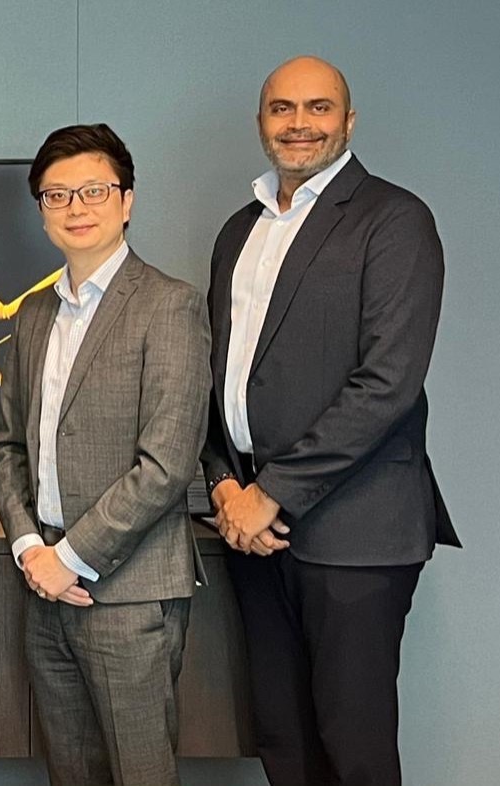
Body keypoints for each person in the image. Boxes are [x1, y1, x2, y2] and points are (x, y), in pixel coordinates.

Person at [202, 55, 458, 786]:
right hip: (250, 530)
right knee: (283, 743)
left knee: (354, 751)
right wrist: (223, 483)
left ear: (347, 121)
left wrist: (269, 492)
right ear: (261, 122)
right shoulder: (237, 231)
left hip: (355, 532)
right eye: (281, 109)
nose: (298, 123)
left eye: (318, 108)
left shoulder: (393, 219)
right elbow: (220, 375)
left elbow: (388, 384)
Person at [0, 123, 211, 786]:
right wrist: (32, 548)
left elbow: (167, 463)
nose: (75, 208)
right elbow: (7, 447)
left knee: (140, 774)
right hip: (43, 585)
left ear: (126, 200)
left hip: (129, 590)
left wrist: (71, 559)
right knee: (69, 772)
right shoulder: (31, 315)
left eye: (92, 190)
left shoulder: (169, 306)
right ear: (40, 210)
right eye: (56, 196)